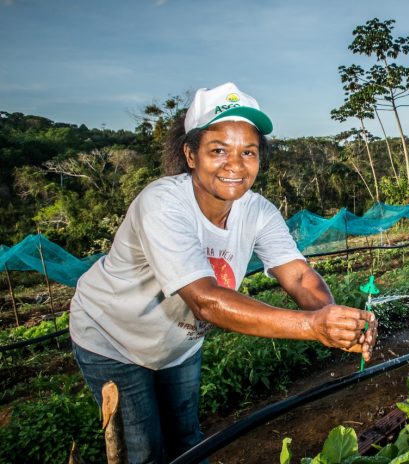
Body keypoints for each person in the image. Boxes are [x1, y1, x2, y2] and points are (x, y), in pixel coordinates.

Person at [69, 82, 378, 463]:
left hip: (177, 346)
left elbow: (297, 276)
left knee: (188, 441)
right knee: (144, 451)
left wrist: (336, 319)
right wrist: (314, 326)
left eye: (248, 152)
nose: (235, 164)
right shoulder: (163, 203)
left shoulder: (258, 211)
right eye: (218, 150)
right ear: (190, 154)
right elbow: (206, 302)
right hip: (112, 337)